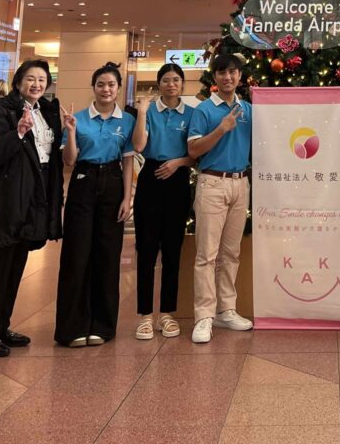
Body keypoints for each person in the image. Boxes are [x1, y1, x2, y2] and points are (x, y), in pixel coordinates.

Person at [0, 59, 63, 357]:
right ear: (18, 81)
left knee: (15, 266)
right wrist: (18, 133)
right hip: (5, 200)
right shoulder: (3, 111)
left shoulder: (45, 112)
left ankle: (1, 327)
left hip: (32, 198)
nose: (37, 84)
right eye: (30, 78)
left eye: (42, 79)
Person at [54, 62, 135, 347]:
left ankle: (103, 325)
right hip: (83, 181)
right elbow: (69, 160)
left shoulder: (127, 121)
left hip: (113, 183)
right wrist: (71, 132)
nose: (106, 89)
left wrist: (127, 197)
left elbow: (128, 161)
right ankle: (72, 327)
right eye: (101, 84)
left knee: (108, 255)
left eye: (111, 84)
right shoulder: (77, 118)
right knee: (76, 254)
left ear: (118, 89)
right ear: (94, 87)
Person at [187, 53, 253, 343]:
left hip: (241, 184)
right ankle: (204, 316)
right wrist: (221, 128)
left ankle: (226, 310)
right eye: (222, 72)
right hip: (212, 182)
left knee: (231, 253)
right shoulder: (204, 110)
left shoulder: (248, 108)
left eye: (233, 72)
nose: (228, 77)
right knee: (207, 255)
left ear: (239, 76)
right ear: (214, 77)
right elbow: (193, 150)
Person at [132, 63, 194, 340]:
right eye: (166, 80)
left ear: (182, 84)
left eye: (176, 80)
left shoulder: (192, 114)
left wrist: (178, 163)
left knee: (172, 249)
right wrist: (142, 112)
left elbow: (198, 152)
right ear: (159, 84)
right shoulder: (149, 112)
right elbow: (139, 146)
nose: (171, 84)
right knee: (146, 249)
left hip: (178, 179)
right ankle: (145, 315)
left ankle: (167, 313)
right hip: (150, 177)